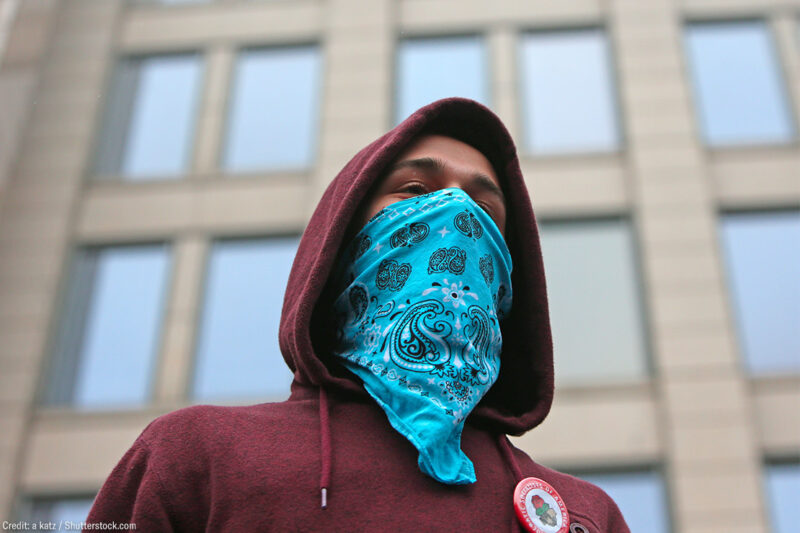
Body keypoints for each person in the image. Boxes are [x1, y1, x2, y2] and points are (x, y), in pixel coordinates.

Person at [83, 98, 629, 532]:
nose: (458, 213)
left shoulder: (582, 515)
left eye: (486, 211)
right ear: (343, 244)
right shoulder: (197, 456)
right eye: (415, 190)